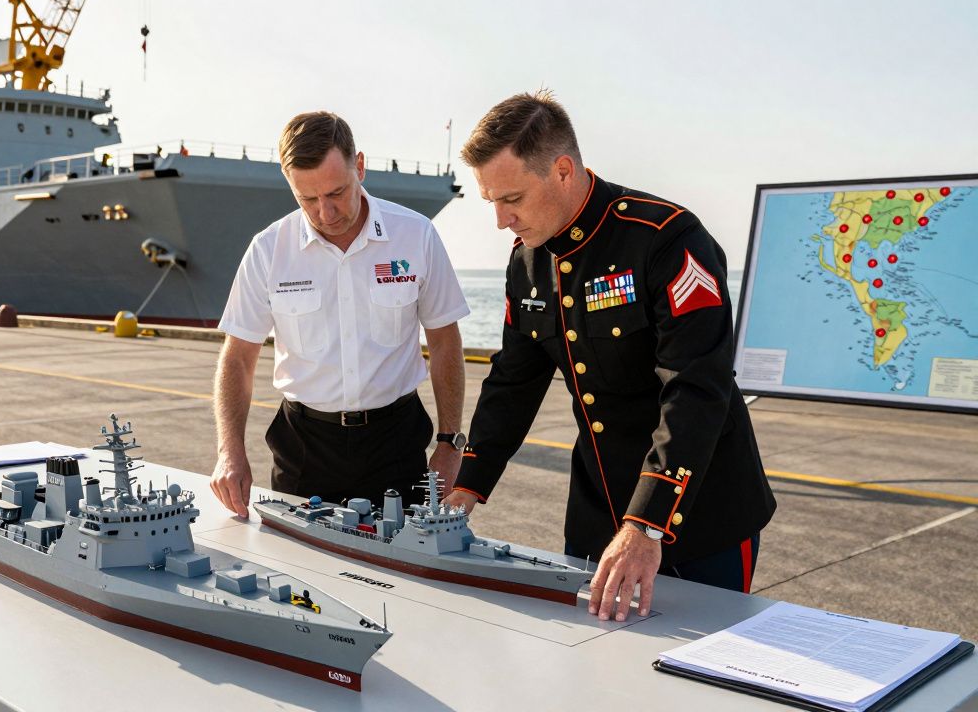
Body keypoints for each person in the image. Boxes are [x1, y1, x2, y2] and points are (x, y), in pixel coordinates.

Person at [444, 91, 776, 622]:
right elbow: (513, 380)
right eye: (491, 203)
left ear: (562, 170)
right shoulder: (528, 262)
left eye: (512, 199)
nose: (501, 221)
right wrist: (469, 484)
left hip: (698, 514)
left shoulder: (666, 240)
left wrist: (647, 524)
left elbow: (696, 387)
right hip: (599, 513)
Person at [212, 111, 471, 518]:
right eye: (308, 199)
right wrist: (230, 452)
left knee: (405, 570)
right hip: (304, 449)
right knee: (301, 574)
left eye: (336, 193)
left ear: (360, 166)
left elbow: (444, 341)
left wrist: (450, 443)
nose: (325, 213)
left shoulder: (415, 235)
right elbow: (238, 357)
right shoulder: (268, 250)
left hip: (397, 444)